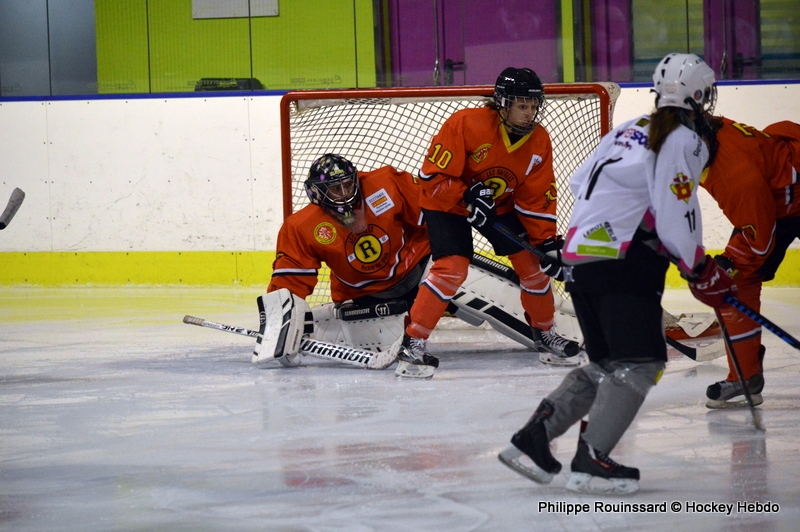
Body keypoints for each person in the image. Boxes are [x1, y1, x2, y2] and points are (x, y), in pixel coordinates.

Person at [497, 53, 736, 494]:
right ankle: (592, 460)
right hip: (624, 261)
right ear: (700, 96)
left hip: (581, 259)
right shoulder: (684, 138)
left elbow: (579, 184)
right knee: (641, 363)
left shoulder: (627, 131)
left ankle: (532, 441)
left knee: (608, 363)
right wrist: (699, 266)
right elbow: (675, 210)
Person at [256, 153, 583, 369]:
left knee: (485, 290)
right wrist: (279, 321)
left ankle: (567, 327)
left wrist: (462, 205)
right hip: (368, 297)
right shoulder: (300, 226)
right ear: (316, 193)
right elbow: (290, 280)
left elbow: (435, 213)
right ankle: (316, 323)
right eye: (334, 189)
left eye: (348, 184)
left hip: (421, 268)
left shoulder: (384, 184)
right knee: (372, 340)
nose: (344, 194)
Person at [390, 66, 582, 378]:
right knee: (452, 268)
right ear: (503, 104)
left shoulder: (538, 140)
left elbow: (536, 196)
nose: (529, 114)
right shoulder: (467, 123)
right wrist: (467, 193)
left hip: (498, 205)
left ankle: (545, 335)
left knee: (534, 266)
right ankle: (413, 344)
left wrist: (545, 242)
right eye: (522, 106)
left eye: (534, 106)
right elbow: (431, 176)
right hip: (447, 203)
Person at [697, 115, 800, 407]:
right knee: (736, 286)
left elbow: (760, 239)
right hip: (776, 199)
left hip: (785, 199)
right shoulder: (701, 132)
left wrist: (727, 263)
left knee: (734, 273)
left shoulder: (735, 175)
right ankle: (745, 376)